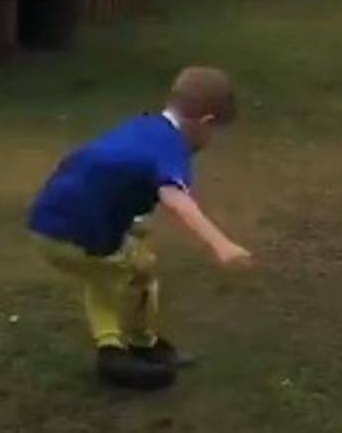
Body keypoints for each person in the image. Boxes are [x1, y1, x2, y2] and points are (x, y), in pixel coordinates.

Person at [27, 66, 253, 390]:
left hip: (47, 220)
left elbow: (99, 165)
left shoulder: (145, 125)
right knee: (141, 268)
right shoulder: (170, 148)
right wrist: (222, 245)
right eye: (215, 132)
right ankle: (134, 347)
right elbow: (175, 197)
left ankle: (120, 346)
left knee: (109, 268)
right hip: (71, 234)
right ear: (205, 123)